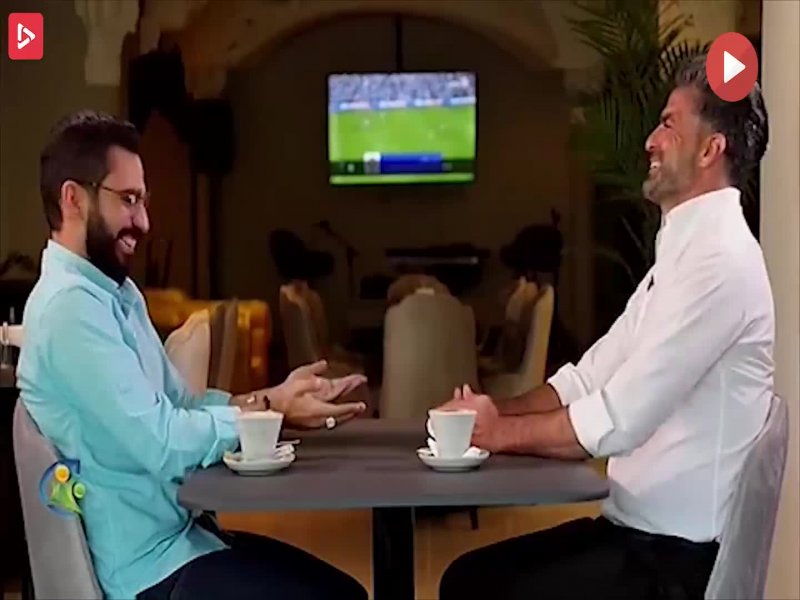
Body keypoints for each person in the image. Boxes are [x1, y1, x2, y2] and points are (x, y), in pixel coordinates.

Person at [438, 53, 772, 600]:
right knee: (470, 578)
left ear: (710, 150)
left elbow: (618, 420)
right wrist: (491, 413)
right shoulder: (685, 256)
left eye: (668, 125)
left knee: (474, 587)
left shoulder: (719, 262)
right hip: (637, 536)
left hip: (677, 563)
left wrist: (498, 434)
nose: (650, 142)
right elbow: (588, 379)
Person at [16, 110, 369, 600]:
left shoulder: (115, 295)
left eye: (143, 201)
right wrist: (270, 412)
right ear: (73, 199)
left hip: (185, 541)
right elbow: (163, 442)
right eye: (128, 200)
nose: (144, 221)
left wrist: (274, 400)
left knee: (342, 591)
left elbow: (181, 406)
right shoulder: (69, 310)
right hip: (144, 573)